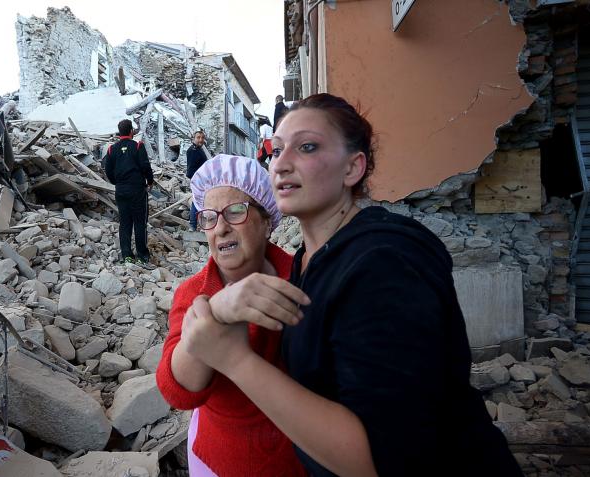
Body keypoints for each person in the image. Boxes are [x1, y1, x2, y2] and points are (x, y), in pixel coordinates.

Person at [178, 94, 523, 476]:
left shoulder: (384, 262)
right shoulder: (309, 262)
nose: (281, 163)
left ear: (352, 167)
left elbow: (381, 457)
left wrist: (234, 360)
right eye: (276, 151)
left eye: (307, 147)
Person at [156, 154, 309, 477]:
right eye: (209, 217)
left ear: (267, 221)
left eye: (235, 211)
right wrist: (216, 313)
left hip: (297, 458)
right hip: (220, 460)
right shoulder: (194, 292)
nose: (221, 228)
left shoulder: (303, 281)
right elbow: (176, 391)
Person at [103, 119, 154, 264]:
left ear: (119, 132)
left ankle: (127, 255)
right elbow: (145, 166)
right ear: (131, 131)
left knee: (125, 223)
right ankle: (142, 256)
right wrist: (150, 181)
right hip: (137, 190)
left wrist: (117, 182)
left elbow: (108, 170)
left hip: (121, 190)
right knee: (140, 222)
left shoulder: (111, 149)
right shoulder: (138, 146)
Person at [185, 130, 208, 231]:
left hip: (201, 180)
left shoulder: (199, 149)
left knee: (199, 201)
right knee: (198, 201)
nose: (201, 140)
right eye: (198, 137)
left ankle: (195, 225)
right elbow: (190, 170)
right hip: (198, 180)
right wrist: (198, 180)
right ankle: (194, 225)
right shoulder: (193, 150)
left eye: (202, 138)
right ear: (193, 139)